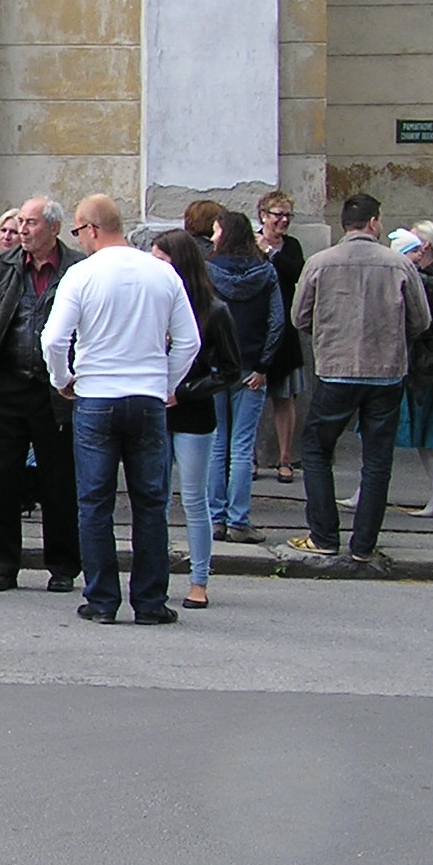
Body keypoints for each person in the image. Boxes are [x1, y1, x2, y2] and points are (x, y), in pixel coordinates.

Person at [41, 195, 199, 625]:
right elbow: (189, 341)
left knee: (94, 502)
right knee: (151, 503)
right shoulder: (162, 272)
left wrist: (63, 380)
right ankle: (149, 601)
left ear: (91, 229)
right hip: (147, 397)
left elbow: (54, 339)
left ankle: (102, 599)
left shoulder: (82, 274)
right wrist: (166, 384)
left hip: (95, 396)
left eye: (77, 231)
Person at [289, 193, 429, 562]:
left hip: (336, 370)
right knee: (378, 459)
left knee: (318, 450)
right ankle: (364, 545)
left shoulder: (320, 262)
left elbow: (299, 316)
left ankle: (324, 535)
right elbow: (421, 320)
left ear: (344, 225)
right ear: (373, 223)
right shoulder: (399, 265)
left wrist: (327, 334)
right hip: (385, 371)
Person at [0, 196, 82, 593]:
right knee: (0, 477)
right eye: (22, 223)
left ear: (54, 228)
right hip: (6, 383)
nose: (23, 230)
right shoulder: (3, 265)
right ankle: (1, 564)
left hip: (58, 388)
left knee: (59, 478)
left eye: (32, 223)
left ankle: (63, 565)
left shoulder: (77, 268)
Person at [151, 230, 242, 610]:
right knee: (153, 496)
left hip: (191, 413)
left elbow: (229, 370)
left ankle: (199, 579)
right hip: (153, 407)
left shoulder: (213, 310)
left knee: (193, 498)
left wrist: (184, 391)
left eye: (162, 260)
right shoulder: (152, 302)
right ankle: (152, 574)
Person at [205, 211, 284, 544]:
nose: (211, 236)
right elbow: (277, 322)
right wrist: (264, 366)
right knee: (241, 447)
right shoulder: (266, 272)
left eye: (215, 231)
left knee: (216, 445)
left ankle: (215, 519)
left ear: (224, 234)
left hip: (214, 368)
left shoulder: (207, 271)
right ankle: (239, 520)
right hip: (250, 368)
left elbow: (196, 318)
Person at [391, 222, 433, 517]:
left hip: (419, 365)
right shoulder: (424, 279)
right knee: (384, 426)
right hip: (414, 362)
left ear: (424, 248)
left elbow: (424, 324)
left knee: (421, 431)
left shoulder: (428, 283)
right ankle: (363, 490)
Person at [254, 190, 308, 481]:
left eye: (288, 215)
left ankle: (285, 458)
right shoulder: (249, 242)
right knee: (250, 396)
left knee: (284, 396)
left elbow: (295, 271)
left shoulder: (291, 246)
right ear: (263, 215)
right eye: (278, 214)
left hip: (284, 328)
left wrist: (272, 253)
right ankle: (249, 458)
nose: (284, 220)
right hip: (255, 328)